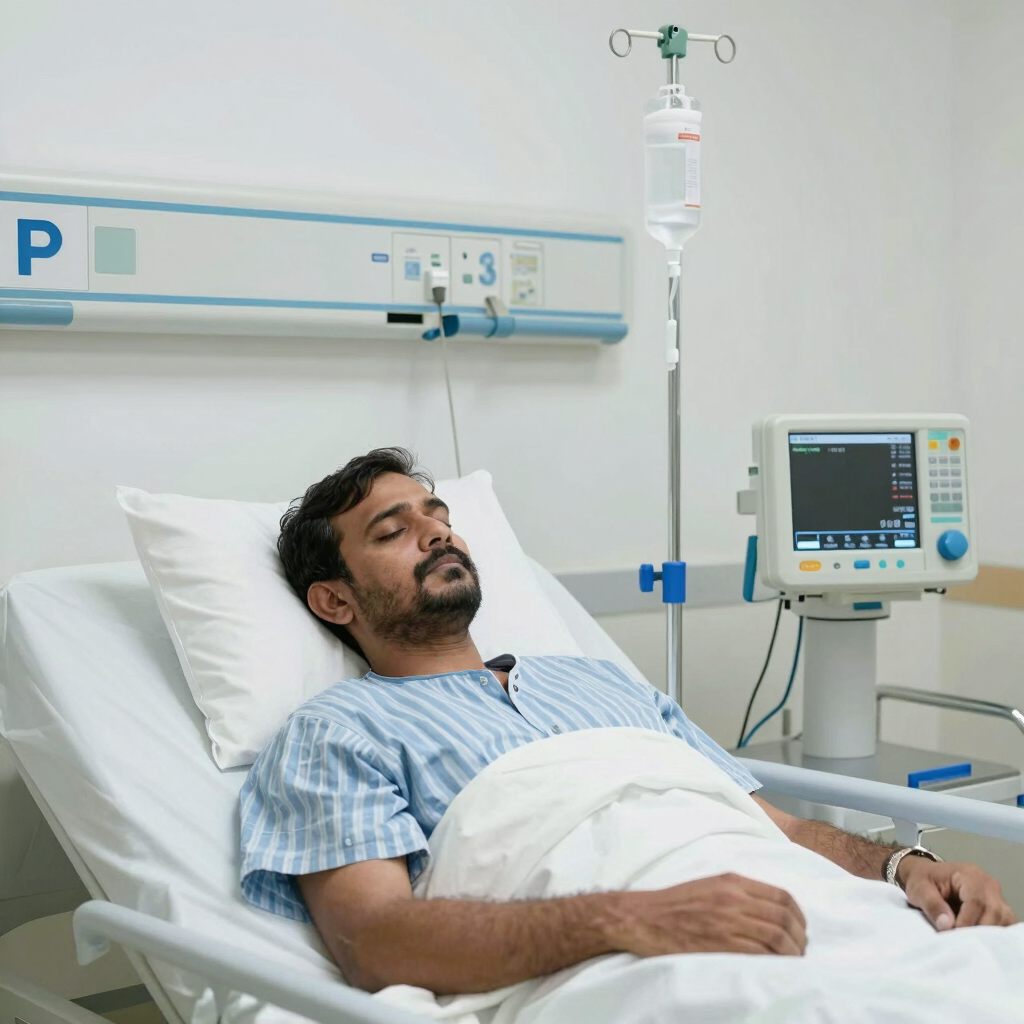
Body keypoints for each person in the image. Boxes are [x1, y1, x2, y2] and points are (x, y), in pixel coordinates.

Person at [239, 448, 1016, 996]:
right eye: (392, 529)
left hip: (819, 911)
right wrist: (633, 917)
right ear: (334, 601)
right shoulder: (337, 733)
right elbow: (374, 944)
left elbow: (782, 832)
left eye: (436, 513)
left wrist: (908, 867)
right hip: (642, 960)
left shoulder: (600, 682)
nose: (437, 531)